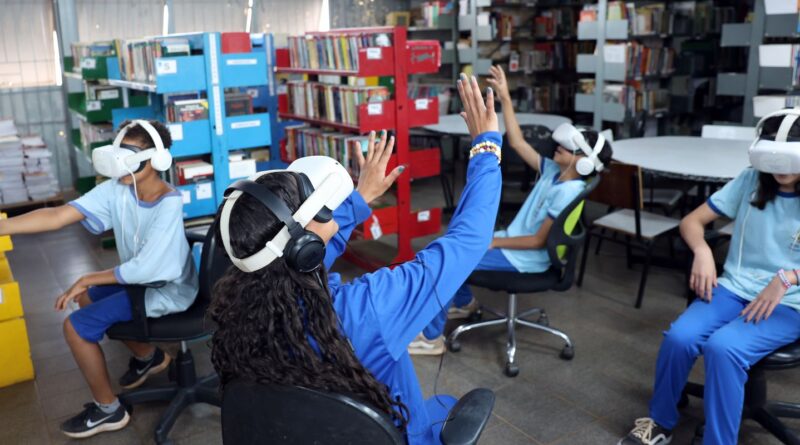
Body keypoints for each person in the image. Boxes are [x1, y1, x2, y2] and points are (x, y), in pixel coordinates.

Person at [209, 74, 500, 445]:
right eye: (325, 211)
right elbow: (469, 241)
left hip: (307, 434)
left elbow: (303, 249)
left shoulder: (240, 303)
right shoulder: (367, 309)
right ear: (305, 248)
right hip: (393, 433)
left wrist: (360, 199)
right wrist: (486, 147)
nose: (332, 213)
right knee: (442, 407)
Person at [0, 120, 198, 438]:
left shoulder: (169, 203)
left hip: (166, 290)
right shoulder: (119, 188)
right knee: (85, 297)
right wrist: (3, 225)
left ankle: (109, 409)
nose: (119, 160)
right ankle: (150, 356)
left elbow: (147, 269)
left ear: (157, 159)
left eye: (129, 153)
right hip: (139, 282)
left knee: (75, 327)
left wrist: (87, 277)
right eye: (118, 151)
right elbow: (58, 215)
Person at [619, 109, 800, 445]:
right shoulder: (751, 179)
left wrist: (789, 277)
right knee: (679, 338)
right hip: (736, 287)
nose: (780, 170)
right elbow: (691, 221)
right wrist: (703, 251)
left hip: (789, 303)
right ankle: (659, 423)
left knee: (724, 348)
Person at [408, 64, 614, 355]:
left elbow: (537, 241)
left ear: (582, 163)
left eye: (566, 149)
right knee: (451, 247)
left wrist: (493, 242)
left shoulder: (567, 192)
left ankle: (431, 339)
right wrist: (505, 98)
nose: (556, 148)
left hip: (524, 257)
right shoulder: (553, 171)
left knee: (449, 261)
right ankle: (464, 302)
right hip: (511, 244)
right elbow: (515, 142)